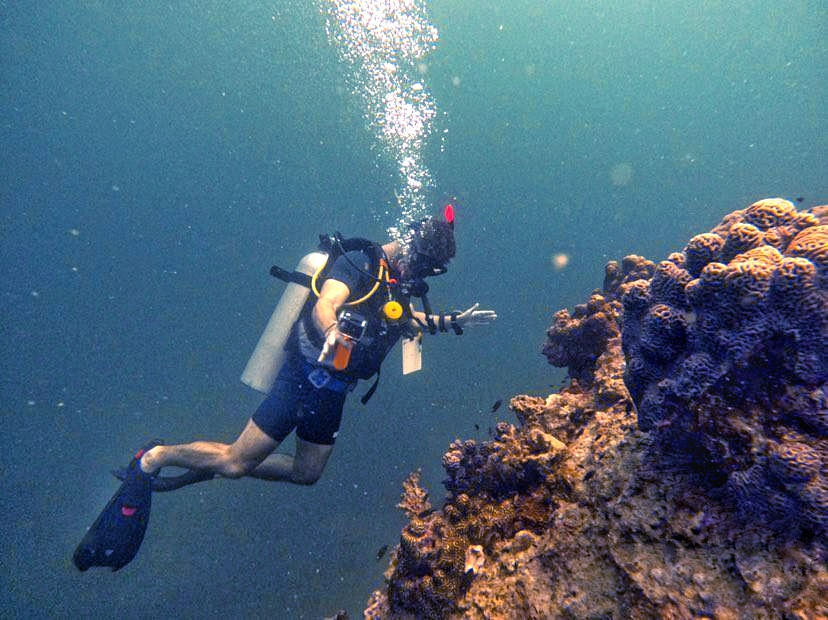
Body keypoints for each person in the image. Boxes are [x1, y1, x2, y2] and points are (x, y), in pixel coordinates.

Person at [137, 208, 496, 488]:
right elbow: (326, 302)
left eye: (428, 271)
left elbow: (405, 319)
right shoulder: (361, 264)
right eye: (421, 264)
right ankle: (157, 457)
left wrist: (451, 322)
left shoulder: (395, 281)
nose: (420, 274)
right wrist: (332, 332)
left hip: (335, 390)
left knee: (306, 473)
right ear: (410, 246)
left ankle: (215, 465)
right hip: (304, 377)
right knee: (235, 462)